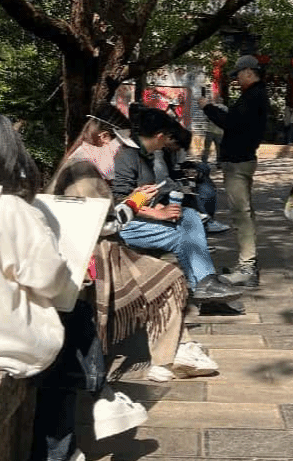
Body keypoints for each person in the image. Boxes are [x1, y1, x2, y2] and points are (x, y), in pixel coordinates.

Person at [0, 112, 147, 461]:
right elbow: (51, 282)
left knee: (72, 327)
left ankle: (101, 399)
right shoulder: (11, 210)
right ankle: (77, 428)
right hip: (7, 346)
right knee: (74, 324)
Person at [48, 109, 220, 383]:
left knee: (168, 272)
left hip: (99, 251)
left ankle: (174, 352)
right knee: (168, 278)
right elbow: (102, 225)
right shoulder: (82, 170)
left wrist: (134, 202)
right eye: (118, 147)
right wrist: (134, 203)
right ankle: (170, 355)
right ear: (104, 139)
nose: (120, 154)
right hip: (95, 258)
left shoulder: (83, 166)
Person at [112, 106, 242, 302]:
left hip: (141, 215)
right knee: (184, 237)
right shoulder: (128, 156)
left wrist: (159, 208)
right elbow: (119, 202)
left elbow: (141, 196)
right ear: (159, 136)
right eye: (166, 137)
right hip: (125, 225)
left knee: (189, 215)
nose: (167, 141)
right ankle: (204, 285)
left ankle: (206, 284)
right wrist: (157, 213)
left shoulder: (145, 155)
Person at [199, 55, 269, 287]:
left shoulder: (253, 96)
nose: (237, 79)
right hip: (241, 160)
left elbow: (231, 123)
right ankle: (247, 264)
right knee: (244, 213)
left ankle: (247, 267)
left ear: (248, 71)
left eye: (238, 74)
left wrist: (207, 107)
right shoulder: (255, 95)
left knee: (241, 214)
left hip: (239, 162)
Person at [201, 95, 227, 167]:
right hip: (220, 132)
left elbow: (206, 118)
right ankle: (219, 163)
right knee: (219, 148)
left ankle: (204, 162)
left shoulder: (212, 108)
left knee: (207, 147)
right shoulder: (225, 108)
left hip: (210, 130)